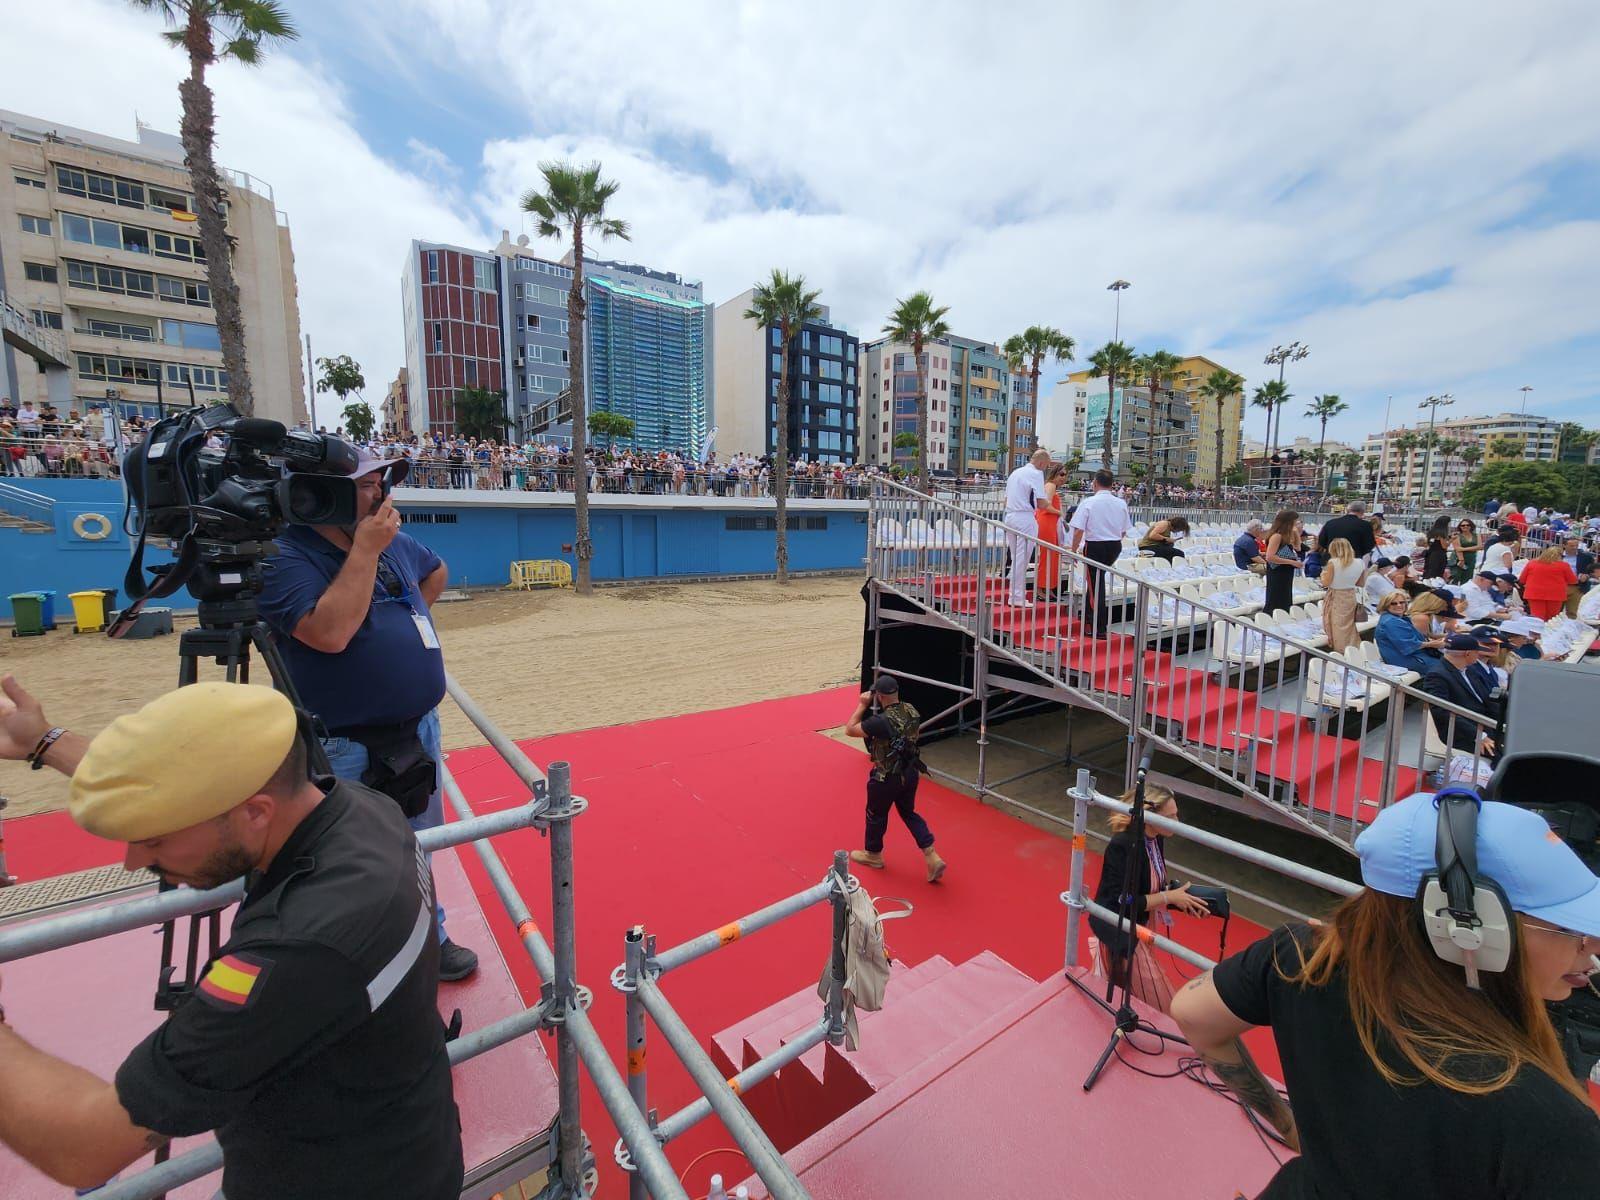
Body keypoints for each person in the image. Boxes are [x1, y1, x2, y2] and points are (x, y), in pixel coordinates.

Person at [0, 678, 463, 1198]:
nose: (134, 860)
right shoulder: (357, 809)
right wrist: (46, 741)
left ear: (256, 813)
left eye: (153, 837)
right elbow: (196, 790)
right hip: (405, 1146)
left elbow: (82, 1147)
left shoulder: (297, 953)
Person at [1170, 791, 1600, 1199]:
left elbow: (1192, 1013)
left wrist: (1287, 1126)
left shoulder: (1300, 956)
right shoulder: (1549, 1122)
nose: (1593, 946)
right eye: (1572, 930)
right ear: (1467, 928)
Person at [257, 447, 478, 980]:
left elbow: (436, 571)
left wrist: (400, 624)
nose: (381, 493)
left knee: (419, 848)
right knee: (350, 863)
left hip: (417, 732)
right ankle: (366, 967)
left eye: (381, 481)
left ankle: (431, 937)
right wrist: (364, 554)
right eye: (366, 484)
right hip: (343, 747)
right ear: (317, 492)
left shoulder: (394, 543)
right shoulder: (285, 557)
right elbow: (328, 633)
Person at [1088, 784, 1211, 1013]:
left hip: (1141, 927)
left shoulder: (1156, 837)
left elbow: (1148, 883)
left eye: (1177, 814)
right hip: (1124, 933)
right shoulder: (1123, 845)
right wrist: (1167, 896)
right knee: (1166, 1005)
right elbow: (1121, 901)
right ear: (1150, 817)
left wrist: (1180, 898)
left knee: (1123, 993)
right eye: (1170, 816)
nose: (1176, 821)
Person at [844, 677, 945, 882]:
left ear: (879, 697)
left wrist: (861, 705)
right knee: (908, 812)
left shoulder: (880, 721)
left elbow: (850, 729)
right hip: (909, 772)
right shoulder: (911, 709)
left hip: (886, 776)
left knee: (876, 814)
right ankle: (931, 854)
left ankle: (873, 854)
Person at [1068, 469, 1133, 637]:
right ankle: (1092, 621)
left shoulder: (1089, 502)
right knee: (1096, 584)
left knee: (1095, 587)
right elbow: (1124, 531)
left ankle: (1098, 627)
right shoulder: (1120, 503)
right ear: (1112, 485)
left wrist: (1073, 550)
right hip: (1114, 545)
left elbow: (1078, 531)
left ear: (1095, 483)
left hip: (1096, 545)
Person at [1421, 632, 1504, 758]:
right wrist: (1479, 736)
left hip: (1486, 725)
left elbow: (1487, 700)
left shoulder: (1471, 670)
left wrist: (1505, 722)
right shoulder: (1436, 676)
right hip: (1463, 734)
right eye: (1477, 652)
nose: (1478, 655)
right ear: (1468, 654)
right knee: (1507, 755)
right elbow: (1441, 711)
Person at [1003, 449, 1050, 608]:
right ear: (1041, 463)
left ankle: (1015, 594)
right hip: (1025, 518)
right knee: (1022, 559)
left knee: (1017, 557)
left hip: (1010, 516)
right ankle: (1016, 596)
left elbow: (1006, 499)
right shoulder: (1036, 474)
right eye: (1046, 466)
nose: (1045, 469)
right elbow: (1042, 502)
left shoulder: (1015, 473)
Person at [1317, 537, 1367, 652]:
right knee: (1349, 626)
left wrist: (1322, 575)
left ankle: (1341, 651)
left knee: (1337, 627)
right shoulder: (1360, 562)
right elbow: (1361, 583)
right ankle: (1353, 649)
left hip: (1337, 595)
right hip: (1350, 595)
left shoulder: (1333, 563)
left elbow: (1326, 582)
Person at [1375, 590, 1443, 673]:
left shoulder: (1399, 619)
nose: (1399, 605)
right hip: (1405, 660)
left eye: (1402, 602)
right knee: (1446, 667)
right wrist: (1432, 644)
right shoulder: (1391, 621)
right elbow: (1410, 645)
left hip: (1414, 656)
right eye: (1393, 603)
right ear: (1386, 605)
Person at [1519, 545, 1579, 621]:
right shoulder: (1564, 565)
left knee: (1537, 618)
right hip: (1555, 595)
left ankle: (1536, 632)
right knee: (1552, 619)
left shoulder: (1531, 563)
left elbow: (1522, 580)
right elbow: (1573, 581)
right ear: (1560, 556)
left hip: (1534, 594)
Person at [1034, 463, 1066, 599]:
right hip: (1046, 524)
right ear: (1054, 473)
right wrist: (1059, 512)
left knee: (1052, 556)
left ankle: (1048, 587)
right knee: (1047, 556)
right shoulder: (1050, 486)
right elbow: (1045, 505)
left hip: (1050, 525)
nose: (1063, 477)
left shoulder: (1051, 486)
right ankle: (1040, 589)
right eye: (1061, 474)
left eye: (1065, 475)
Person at [1262, 509, 1301, 616]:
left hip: (1285, 572)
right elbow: (1270, 556)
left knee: (1285, 597)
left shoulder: (1286, 536)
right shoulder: (1277, 536)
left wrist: (1296, 533)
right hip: (1278, 571)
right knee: (1276, 598)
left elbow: (1298, 548)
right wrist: (1291, 562)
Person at [1561, 537, 1594, 617]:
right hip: (1559, 586)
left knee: (1573, 613)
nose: (1575, 548)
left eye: (1576, 545)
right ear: (1564, 545)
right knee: (1555, 612)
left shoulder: (1586, 557)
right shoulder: (1557, 556)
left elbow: (1593, 571)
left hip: (1577, 587)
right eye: (1572, 546)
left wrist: (1587, 576)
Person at [1420, 515, 1451, 581]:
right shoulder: (1442, 533)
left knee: (1429, 571)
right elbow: (1444, 546)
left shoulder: (1431, 532)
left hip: (1431, 553)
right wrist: (1451, 540)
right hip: (1439, 554)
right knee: (1437, 573)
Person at [1450, 518, 1481, 582]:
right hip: (1458, 559)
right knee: (1455, 578)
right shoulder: (1457, 536)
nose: (1465, 526)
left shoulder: (1477, 535)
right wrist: (1461, 559)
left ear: (1471, 526)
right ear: (1460, 527)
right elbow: (1458, 549)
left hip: (1471, 559)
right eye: (1463, 525)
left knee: (1468, 578)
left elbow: (1480, 546)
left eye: (1468, 525)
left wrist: (1463, 549)